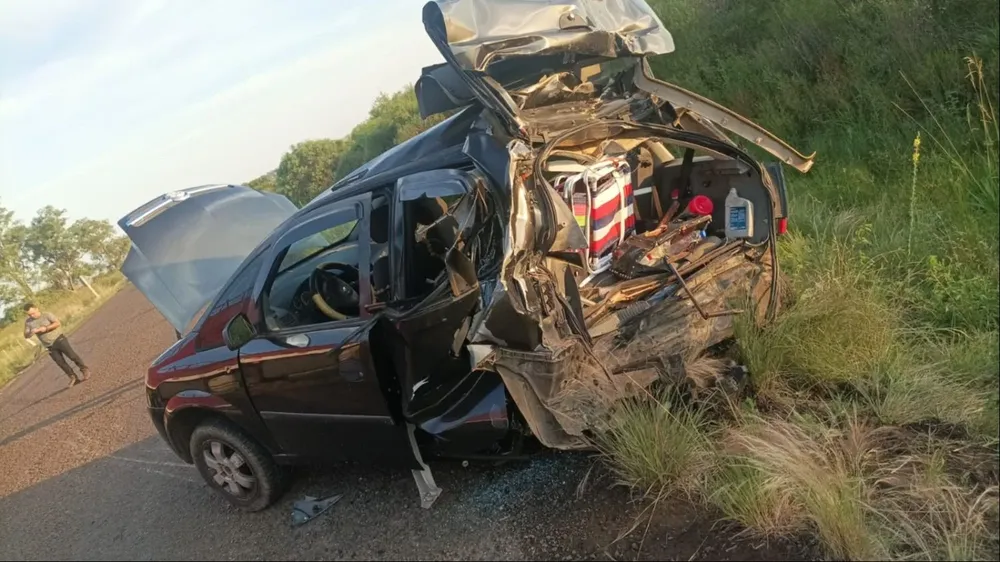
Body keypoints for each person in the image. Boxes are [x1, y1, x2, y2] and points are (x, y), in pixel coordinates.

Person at [23, 303, 91, 387]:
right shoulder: (28, 322)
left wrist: (46, 328)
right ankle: (73, 377)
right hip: (48, 345)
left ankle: (84, 369)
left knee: (72, 355)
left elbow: (57, 323)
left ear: (37, 309)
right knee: (60, 362)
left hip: (59, 339)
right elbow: (26, 335)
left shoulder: (46, 315)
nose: (32, 316)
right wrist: (31, 332)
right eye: (30, 314)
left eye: (33, 313)